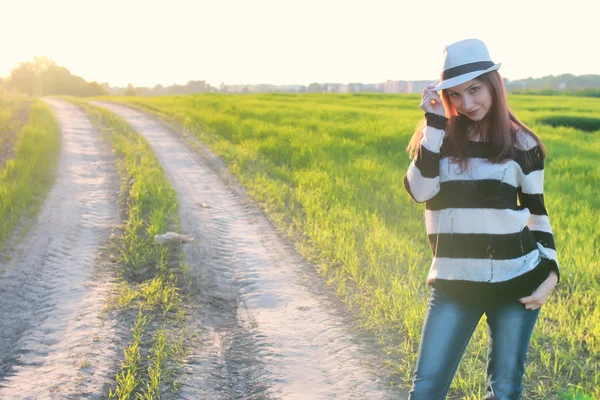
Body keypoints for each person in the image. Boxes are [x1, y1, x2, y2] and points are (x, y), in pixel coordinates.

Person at [403, 38, 560, 399]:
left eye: (474, 90)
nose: (466, 103)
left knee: (504, 390)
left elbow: (537, 214)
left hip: (517, 282)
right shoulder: (437, 138)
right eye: (454, 95)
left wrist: (550, 272)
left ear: (493, 84)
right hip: (454, 285)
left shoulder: (524, 145)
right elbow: (420, 192)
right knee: (425, 390)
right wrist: (434, 125)